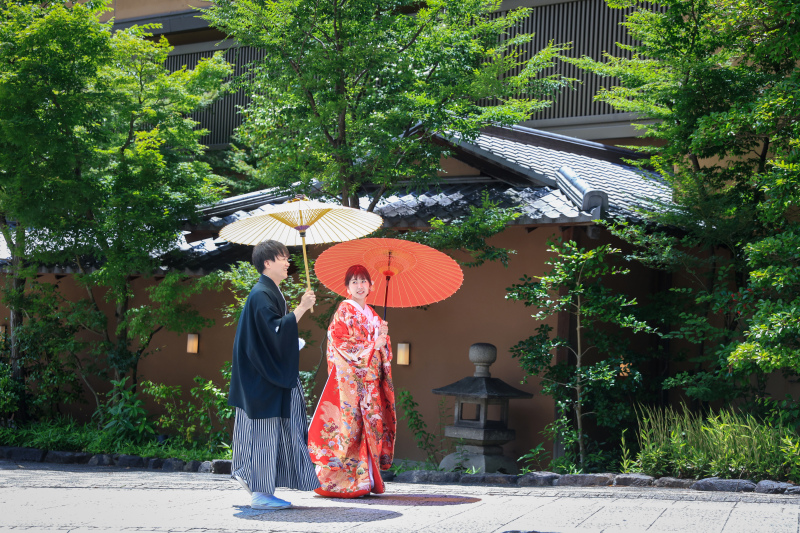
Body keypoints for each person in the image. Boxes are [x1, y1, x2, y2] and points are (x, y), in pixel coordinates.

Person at [228, 239, 320, 510]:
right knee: (264, 434)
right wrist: (301, 308)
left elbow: (272, 333)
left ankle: (260, 488)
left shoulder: (269, 293)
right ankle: (260, 492)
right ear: (267, 263)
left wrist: (292, 339)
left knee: (266, 433)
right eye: (282, 257)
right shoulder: (261, 294)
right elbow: (274, 333)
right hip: (261, 380)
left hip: (262, 377)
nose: (288, 262)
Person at [308, 264, 396, 498]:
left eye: (363, 281)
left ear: (371, 286)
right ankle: (337, 482)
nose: (359, 286)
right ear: (347, 287)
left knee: (371, 430)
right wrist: (371, 346)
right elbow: (340, 344)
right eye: (354, 282)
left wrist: (383, 339)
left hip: (371, 384)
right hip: (351, 384)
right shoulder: (344, 311)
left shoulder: (374, 315)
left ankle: (365, 481)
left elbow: (384, 353)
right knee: (351, 430)